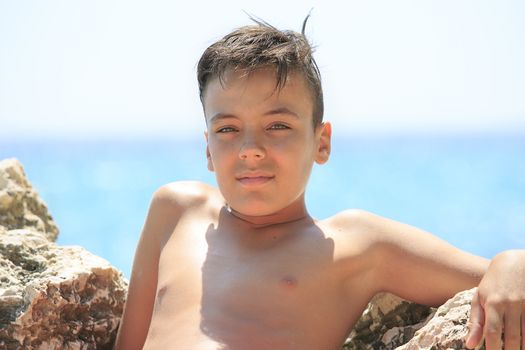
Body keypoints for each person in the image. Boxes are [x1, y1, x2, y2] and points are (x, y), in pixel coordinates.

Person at [114, 17, 525, 350]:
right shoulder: (175, 209)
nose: (250, 149)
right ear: (207, 147)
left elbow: (490, 274)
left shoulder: (359, 244)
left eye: (277, 125)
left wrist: (511, 261)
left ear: (321, 142)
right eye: (227, 129)